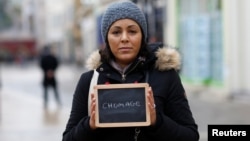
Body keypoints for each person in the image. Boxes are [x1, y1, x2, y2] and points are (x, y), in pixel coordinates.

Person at [62, 1, 199, 141]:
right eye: (116, 32)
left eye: (132, 31)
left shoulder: (166, 76)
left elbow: (190, 136)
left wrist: (157, 121)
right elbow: (68, 138)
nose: (124, 38)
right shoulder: (90, 81)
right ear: (107, 38)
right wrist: (89, 125)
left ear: (142, 36)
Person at [40, 45, 61, 109]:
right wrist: (52, 71)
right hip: (51, 75)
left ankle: (46, 103)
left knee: (47, 91)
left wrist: (47, 71)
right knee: (54, 90)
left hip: (46, 75)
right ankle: (58, 102)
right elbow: (57, 64)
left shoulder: (44, 58)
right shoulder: (52, 57)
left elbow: (41, 65)